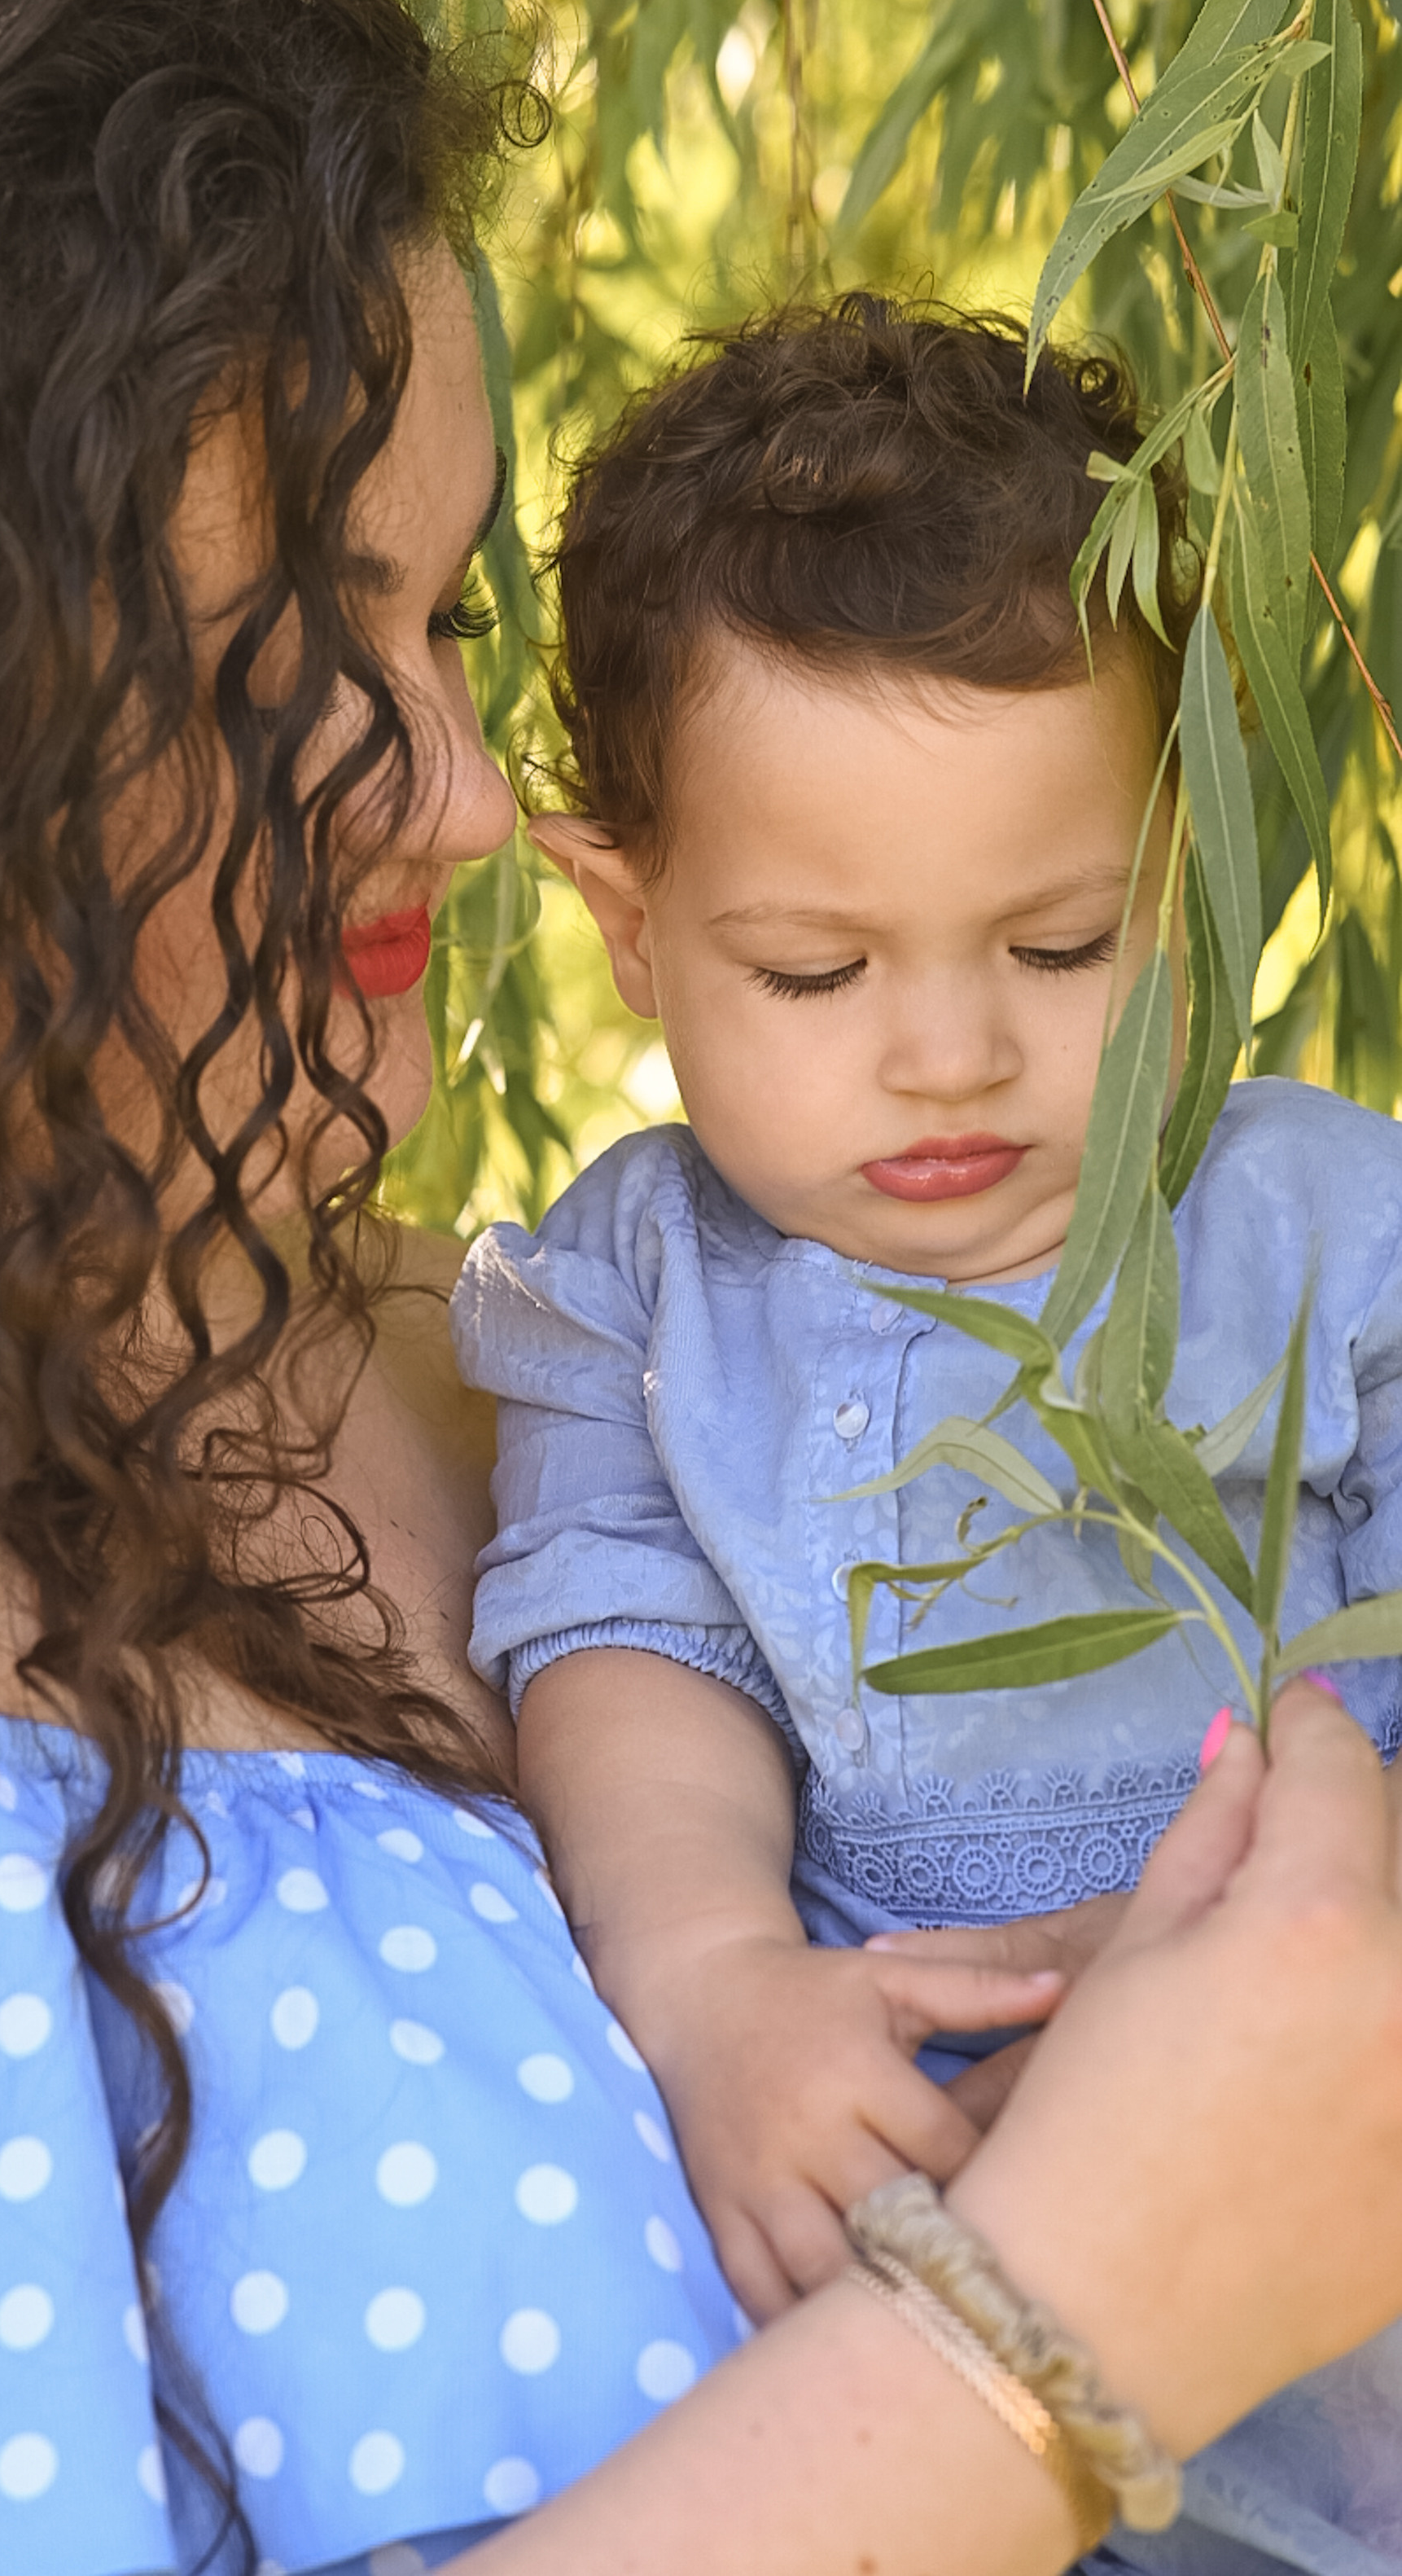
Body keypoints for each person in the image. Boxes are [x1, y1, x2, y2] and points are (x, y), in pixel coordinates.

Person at [0, 0, 1402, 2576]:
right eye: (310, 649)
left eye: (458, 626)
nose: (480, 797)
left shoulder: (510, 1363)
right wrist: (1061, 2333)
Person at [450, 298, 1402, 2574]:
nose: (954, 1051)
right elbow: (622, 1643)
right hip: (933, 2313)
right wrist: (710, 1984)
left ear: (1192, 862)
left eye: (1069, 945)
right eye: (816, 973)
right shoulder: (634, 1292)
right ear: (628, 924)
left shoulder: (1318, 1217)